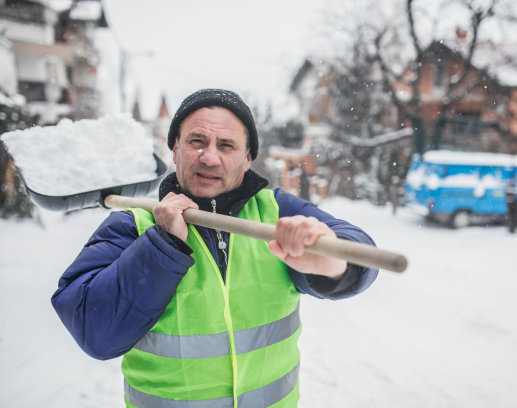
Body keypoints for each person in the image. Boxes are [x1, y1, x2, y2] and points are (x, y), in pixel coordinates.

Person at [51, 88, 378, 408]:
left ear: (247, 158)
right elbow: (93, 331)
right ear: (175, 149)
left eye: (226, 145)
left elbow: (359, 250)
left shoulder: (277, 214)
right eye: (196, 141)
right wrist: (162, 246)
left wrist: (336, 264)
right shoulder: (134, 226)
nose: (209, 157)